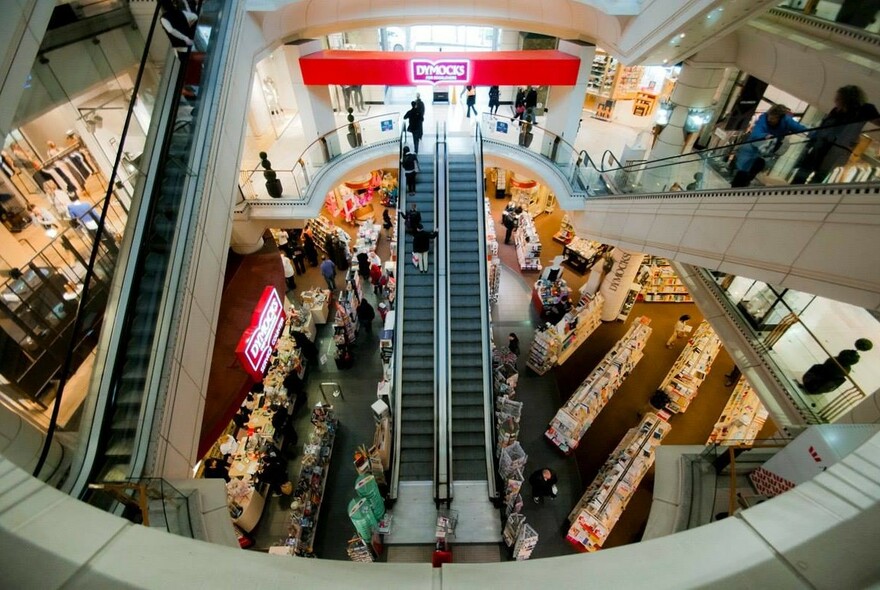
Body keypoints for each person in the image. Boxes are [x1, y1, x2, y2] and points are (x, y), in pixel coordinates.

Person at [792, 85, 880, 184]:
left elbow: (877, 121)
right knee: (807, 169)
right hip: (823, 143)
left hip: (836, 146)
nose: (835, 100)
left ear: (847, 99)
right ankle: (796, 189)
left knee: (818, 172)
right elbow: (824, 126)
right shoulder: (837, 110)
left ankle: (802, 192)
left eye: (838, 98)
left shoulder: (864, 109)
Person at [731, 104, 808, 188]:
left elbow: (800, 128)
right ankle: (736, 186)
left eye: (773, 118)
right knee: (744, 168)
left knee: (758, 166)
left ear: (780, 118)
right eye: (769, 117)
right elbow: (755, 133)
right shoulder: (763, 118)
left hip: (767, 150)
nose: (769, 119)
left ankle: (745, 183)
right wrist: (765, 136)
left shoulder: (786, 120)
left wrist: (811, 133)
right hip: (754, 147)